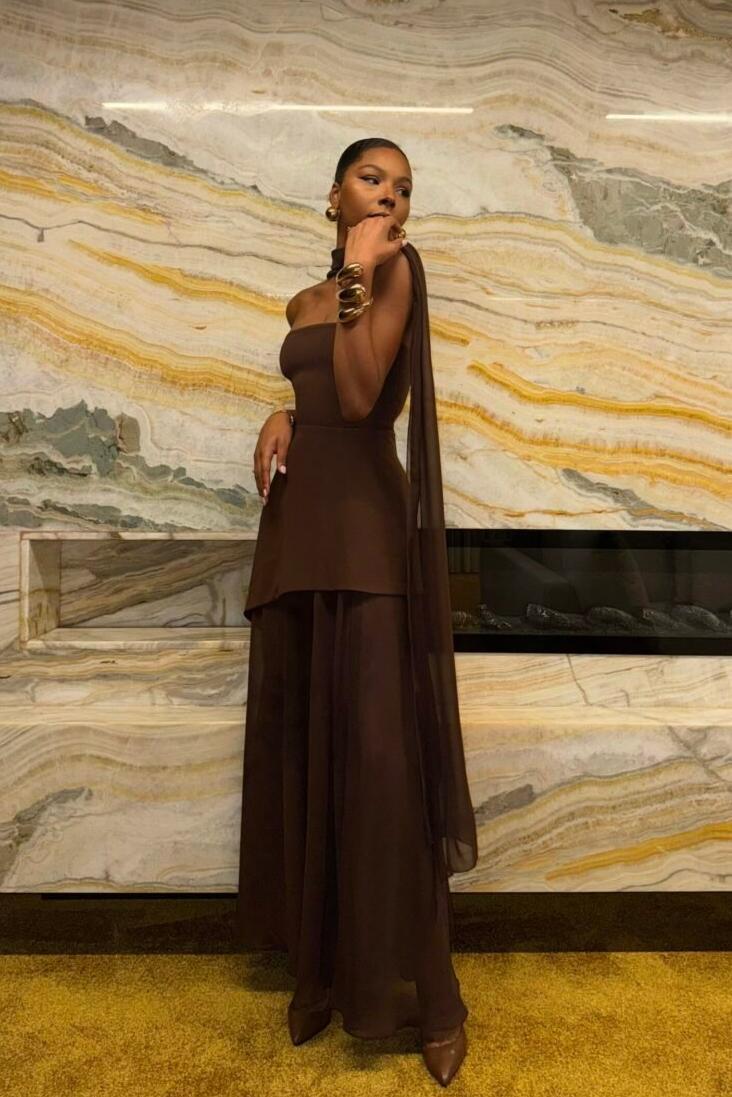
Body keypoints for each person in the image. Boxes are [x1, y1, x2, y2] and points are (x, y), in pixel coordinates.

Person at [236, 138, 477, 1087]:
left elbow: (363, 388)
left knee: (381, 765)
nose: (391, 195)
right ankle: (322, 974)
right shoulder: (303, 299)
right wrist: (283, 415)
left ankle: (430, 999)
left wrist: (360, 273)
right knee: (309, 748)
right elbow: (320, 395)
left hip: (371, 535)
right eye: (373, 179)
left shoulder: (392, 273)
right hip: (299, 534)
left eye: (404, 187)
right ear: (333, 192)